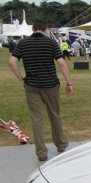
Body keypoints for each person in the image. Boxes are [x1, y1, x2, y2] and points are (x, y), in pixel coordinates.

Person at [8, 19, 73, 161]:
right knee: (55, 115)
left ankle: (41, 152)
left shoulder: (23, 43)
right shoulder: (51, 43)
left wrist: (21, 79)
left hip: (31, 85)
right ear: (46, 29)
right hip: (51, 84)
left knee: (37, 119)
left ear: (32, 28)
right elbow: (61, 63)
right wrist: (69, 83)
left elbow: (12, 61)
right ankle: (61, 144)